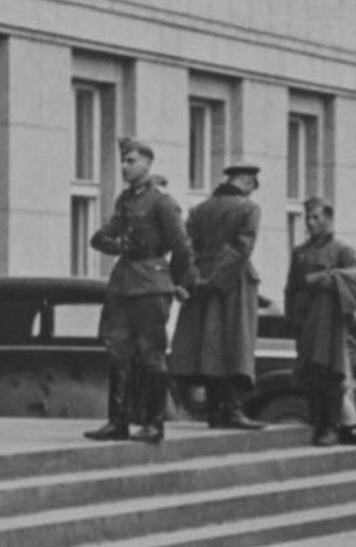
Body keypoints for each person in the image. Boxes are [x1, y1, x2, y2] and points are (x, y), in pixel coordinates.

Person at [85, 139, 193, 444]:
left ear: (147, 164)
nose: (124, 166)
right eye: (123, 161)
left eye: (131, 161)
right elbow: (102, 236)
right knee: (117, 352)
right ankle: (117, 421)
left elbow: (182, 248)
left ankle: (153, 422)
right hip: (123, 283)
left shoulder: (161, 202)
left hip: (150, 283)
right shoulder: (125, 200)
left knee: (151, 354)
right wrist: (116, 245)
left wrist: (178, 283)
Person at [171, 163, 266, 430]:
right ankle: (233, 410)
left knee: (208, 350)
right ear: (246, 182)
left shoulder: (200, 210)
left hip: (201, 284)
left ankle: (215, 410)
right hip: (232, 284)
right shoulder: (249, 209)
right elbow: (241, 249)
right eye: (251, 186)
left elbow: (185, 248)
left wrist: (195, 280)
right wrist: (217, 282)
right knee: (235, 346)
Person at [285, 198, 356, 446]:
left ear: (329, 219)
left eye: (316, 217)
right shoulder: (300, 252)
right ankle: (316, 422)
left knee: (331, 373)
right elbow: (291, 287)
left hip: (330, 323)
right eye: (308, 218)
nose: (311, 223)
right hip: (305, 319)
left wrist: (325, 278)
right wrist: (290, 316)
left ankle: (331, 426)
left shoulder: (343, 251)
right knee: (308, 373)